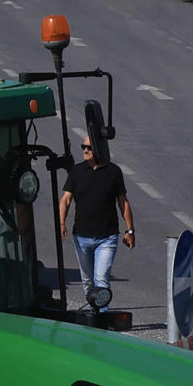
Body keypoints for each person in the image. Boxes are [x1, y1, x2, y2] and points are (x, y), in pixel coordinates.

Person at [57, 132, 135, 317]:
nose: (85, 150)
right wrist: (61, 223)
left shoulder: (113, 172)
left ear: (99, 149)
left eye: (89, 148)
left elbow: (123, 202)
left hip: (107, 237)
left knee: (101, 279)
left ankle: (101, 316)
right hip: (81, 236)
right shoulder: (76, 171)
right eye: (83, 147)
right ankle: (93, 312)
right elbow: (66, 200)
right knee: (87, 281)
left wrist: (130, 230)